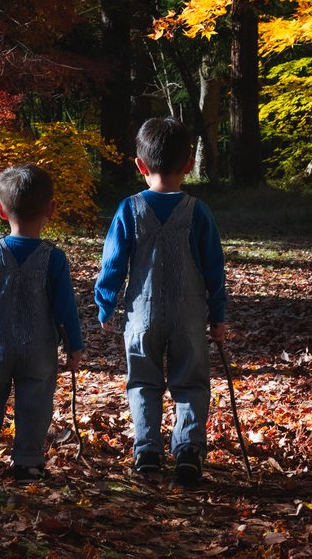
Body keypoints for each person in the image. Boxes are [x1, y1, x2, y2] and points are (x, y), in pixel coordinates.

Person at [95, 116, 226, 486]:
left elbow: (113, 263)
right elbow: (214, 268)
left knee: (143, 381)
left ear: (140, 165)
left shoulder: (129, 209)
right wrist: (218, 315)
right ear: (189, 165)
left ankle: (147, 450)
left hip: (141, 315)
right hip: (189, 316)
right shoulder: (198, 212)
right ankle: (187, 451)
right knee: (192, 382)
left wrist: (106, 304)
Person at [0, 164, 84, 483]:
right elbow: (66, 308)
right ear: (51, 209)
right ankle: (28, 462)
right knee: (35, 405)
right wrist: (74, 344)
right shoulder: (54, 258)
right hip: (39, 348)